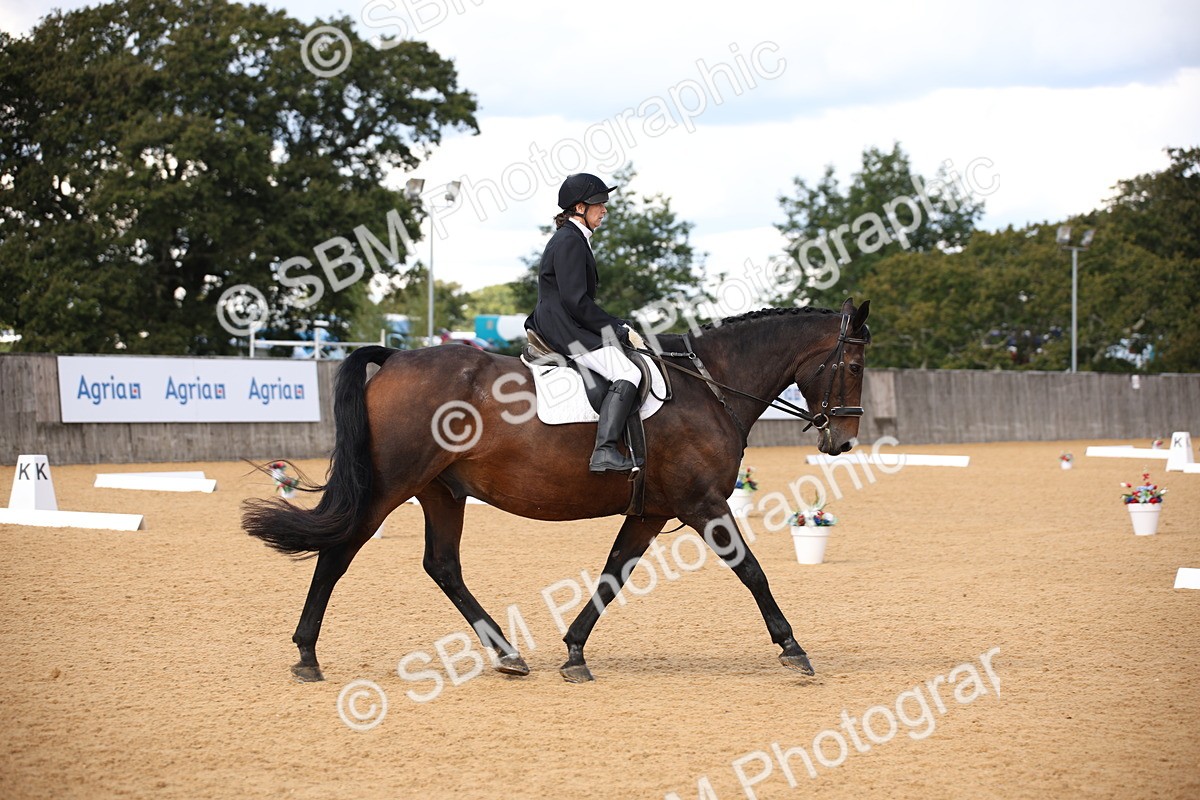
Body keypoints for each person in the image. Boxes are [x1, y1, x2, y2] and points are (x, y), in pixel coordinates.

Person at [525, 173, 646, 474]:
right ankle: (604, 450)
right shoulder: (570, 240)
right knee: (628, 372)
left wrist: (616, 324)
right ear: (580, 208)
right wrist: (616, 328)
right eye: (599, 204)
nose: (604, 210)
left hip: (564, 322)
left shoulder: (574, 237)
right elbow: (576, 301)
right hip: (564, 328)